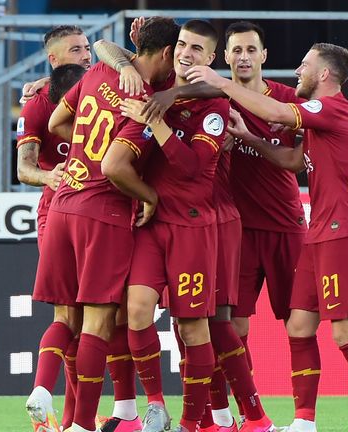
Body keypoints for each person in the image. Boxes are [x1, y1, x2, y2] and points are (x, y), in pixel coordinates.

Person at [186, 43, 348, 432]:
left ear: (324, 74)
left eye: (305, 65)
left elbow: (278, 110)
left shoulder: (334, 108)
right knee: (299, 327)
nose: (298, 70)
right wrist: (251, 137)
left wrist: (220, 83)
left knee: (346, 332)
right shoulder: (321, 118)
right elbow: (294, 162)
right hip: (319, 231)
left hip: (345, 233)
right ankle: (304, 422)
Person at [33, 17, 179, 432]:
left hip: (62, 204)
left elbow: (57, 122)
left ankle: (42, 390)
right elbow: (116, 167)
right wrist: (149, 195)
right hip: (104, 213)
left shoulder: (99, 70)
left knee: (65, 318)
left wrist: (80, 155)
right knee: (98, 323)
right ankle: (81, 424)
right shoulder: (146, 100)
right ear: (167, 54)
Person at [115, 19, 223, 432]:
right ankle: (156, 405)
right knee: (137, 310)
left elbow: (193, 168)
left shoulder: (215, 104)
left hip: (193, 228)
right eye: (181, 44)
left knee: (192, 326)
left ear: (210, 58)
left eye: (197, 49)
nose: (186, 53)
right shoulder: (154, 87)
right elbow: (108, 48)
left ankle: (192, 422)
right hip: (151, 222)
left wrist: (156, 121)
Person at [219, 20, 306, 430]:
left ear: (264, 56)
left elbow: (297, 161)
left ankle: (303, 418)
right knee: (234, 327)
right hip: (235, 230)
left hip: (286, 225)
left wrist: (250, 141)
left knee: (299, 324)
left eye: (251, 50)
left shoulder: (287, 101)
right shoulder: (214, 100)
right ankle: (249, 413)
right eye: (236, 50)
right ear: (225, 57)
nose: (244, 57)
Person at [19, 25, 91, 432]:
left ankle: (62, 415)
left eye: (86, 48)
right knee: (77, 315)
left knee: (84, 323)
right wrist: (51, 177)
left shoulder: (106, 89)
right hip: (59, 209)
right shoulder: (37, 105)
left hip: (97, 210)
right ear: (54, 58)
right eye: (76, 49)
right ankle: (70, 418)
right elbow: (23, 167)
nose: (85, 55)